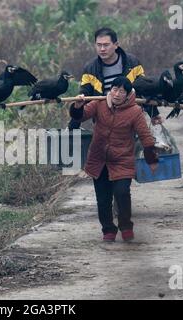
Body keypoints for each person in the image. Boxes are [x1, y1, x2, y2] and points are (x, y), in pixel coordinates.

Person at [70, 76, 158, 242]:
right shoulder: (99, 103)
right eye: (114, 89)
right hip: (98, 159)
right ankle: (108, 229)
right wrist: (77, 106)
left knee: (122, 193)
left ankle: (125, 226)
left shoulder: (135, 111)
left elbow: (145, 136)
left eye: (122, 91)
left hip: (122, 159)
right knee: (103, 198)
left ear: (128, 94)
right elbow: (79, 116)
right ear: (110, 90)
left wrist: (151, 160)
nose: (117, 94)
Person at [68, 27, 162, 130]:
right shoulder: (90, 69)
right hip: (103, 120)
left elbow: (145, 90)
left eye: (106, 45)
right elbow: (85, 96)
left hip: (130, 119)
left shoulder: (133, 63)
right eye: (99, 45)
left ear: (116, 45)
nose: (102, 49)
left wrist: (154, 114)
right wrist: (73, 125)